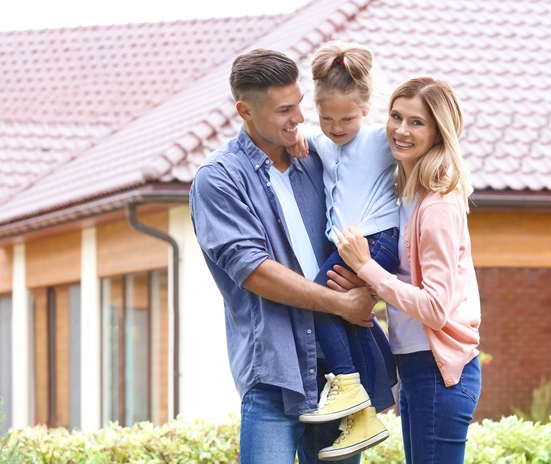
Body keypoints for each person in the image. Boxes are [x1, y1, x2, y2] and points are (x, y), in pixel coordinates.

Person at [188, 48, 396, 464]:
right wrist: (340, 302)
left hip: (336, 375)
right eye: (284, 110)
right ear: (245, 111)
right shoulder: (219, 179)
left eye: (299, 104)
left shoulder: (315, 160)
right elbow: (255, 273)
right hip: (276, 376)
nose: (299, 118)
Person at [336, 77, 482, 463]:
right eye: (396, 116)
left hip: (437, 369)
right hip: (416, 365)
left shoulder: (436, 206)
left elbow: (435, 307)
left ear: (437, 132)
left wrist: (367, 269)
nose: (401, 130)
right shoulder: (407, 195)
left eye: (416, 122)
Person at [287, 41, 398, 460]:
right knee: (342, 313)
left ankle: (350, 386)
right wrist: (300, 136)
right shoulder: (324, 141)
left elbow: (432, 134)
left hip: (376, 242)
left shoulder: (378, 139)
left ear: (366, 107)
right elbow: (308, 138)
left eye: (347, 118)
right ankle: (364, 412)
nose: (337, 127)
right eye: (327, 117)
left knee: (318, 300)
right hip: (352, 247)